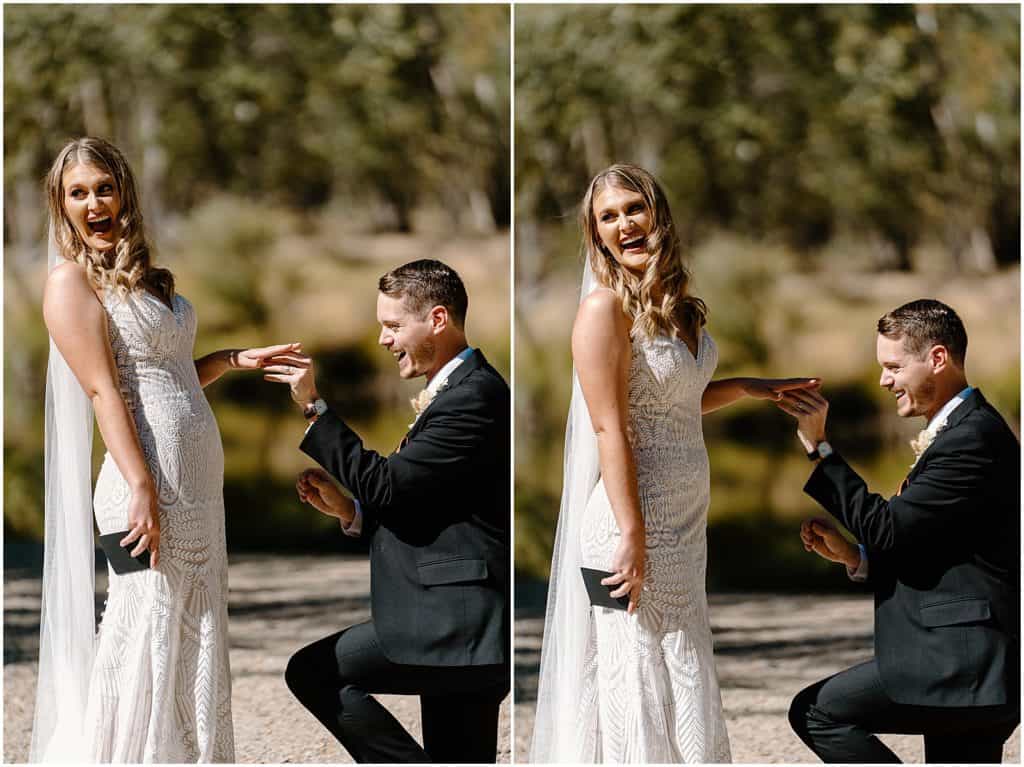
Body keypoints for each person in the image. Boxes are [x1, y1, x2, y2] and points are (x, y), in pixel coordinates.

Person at [529, 163, 819, 763]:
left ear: (658, 212)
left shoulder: (681, 308)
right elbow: (611, 424)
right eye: (608, 217)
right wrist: (631, 534)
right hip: (626, 526)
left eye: (633, 207)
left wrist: (745, 387)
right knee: (633, 681)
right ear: (596, 234)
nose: (624, 224)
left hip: (685, 523)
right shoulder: (602, 311)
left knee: (683, 670)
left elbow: (670, 400)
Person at [31, 137, 301, 763]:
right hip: (141, 487)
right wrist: (143, 486)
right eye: (78, 193)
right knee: (142, 635)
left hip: (198, 490)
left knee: (195, 636)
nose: (94, 203)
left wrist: (234, 360)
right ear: (61, 205)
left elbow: (165, 372)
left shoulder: (149, 279)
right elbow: (103, 389)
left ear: (124, 190)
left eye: (103, 187)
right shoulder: (70, 283)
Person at [266, 259, 510, 763]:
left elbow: (390, 485)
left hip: (454, 622)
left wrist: (314, 407)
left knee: (314, 672)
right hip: (457, 620)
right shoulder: (463, 391)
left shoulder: (475, 397)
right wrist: (352, 509)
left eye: (394, 325)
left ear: (437, 320)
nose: (383, 339)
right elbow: (428, 505)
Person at [782, 299, 1020, 763]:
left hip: (960, 663)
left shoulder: (971, 439)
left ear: (937, 358)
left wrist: (820, 447)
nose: (883, 380)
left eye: (893, 366)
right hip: (974, 663)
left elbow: (888, 529)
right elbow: (934, 547)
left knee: (817, 712)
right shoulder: (965, 431)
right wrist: (856, 557)